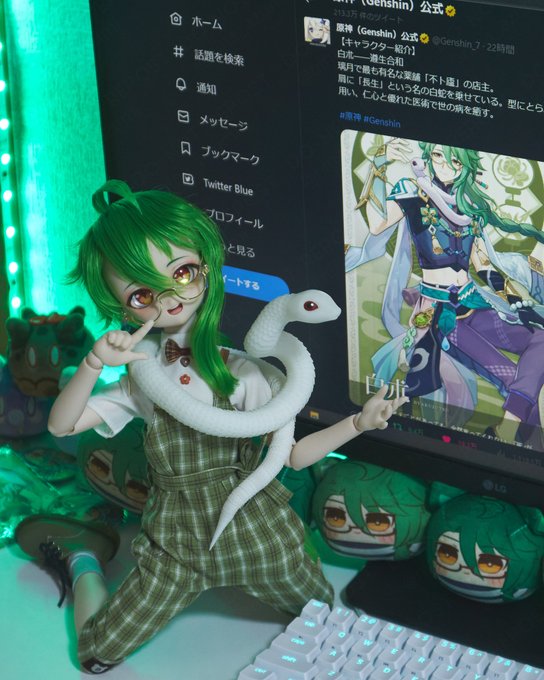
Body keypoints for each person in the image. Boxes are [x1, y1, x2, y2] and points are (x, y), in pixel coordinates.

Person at [16, 180, 406, 673]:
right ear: (121, 306)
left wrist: (358, 423)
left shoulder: (243, 373)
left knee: (325, 619)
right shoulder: (143, 379)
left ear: (205, 266)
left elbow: (293, 456)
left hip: (261, 538)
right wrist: (94, 364)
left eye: (181, 271)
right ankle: (84, 561)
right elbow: (62, 426)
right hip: (176, 546)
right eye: (142, 293)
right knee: (95, 656)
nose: (168, 299)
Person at [345, 138, 544, 445]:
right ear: (428, 156)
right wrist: (380, 162)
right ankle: (525, 447)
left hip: (476, 304)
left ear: (464, 167)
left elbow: (482, 265)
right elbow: (376, 225)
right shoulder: (412, 193)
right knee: (509, 376)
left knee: (541, 337)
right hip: (441, 314)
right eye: (438, 155)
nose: (445, 165)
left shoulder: (469, 206)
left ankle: (513, 438)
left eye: (455, 161)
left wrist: (519, 303)